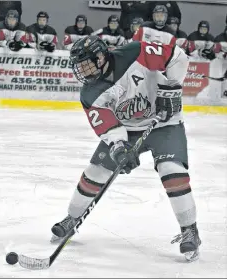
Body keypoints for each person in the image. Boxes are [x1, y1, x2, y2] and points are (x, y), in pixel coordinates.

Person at [51, 35, 201, 262]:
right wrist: (120, 148)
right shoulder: (90, 93)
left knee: (171, 170)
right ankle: (72, 218)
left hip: (165, 123)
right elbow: (110, 128)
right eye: (79, 66)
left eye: (87, 63)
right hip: (127, 129)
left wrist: (170, 89)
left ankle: (190, 230)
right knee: (96, 172)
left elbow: (178, 58)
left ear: (101, 57)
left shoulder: (137, 52)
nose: (83, 71)